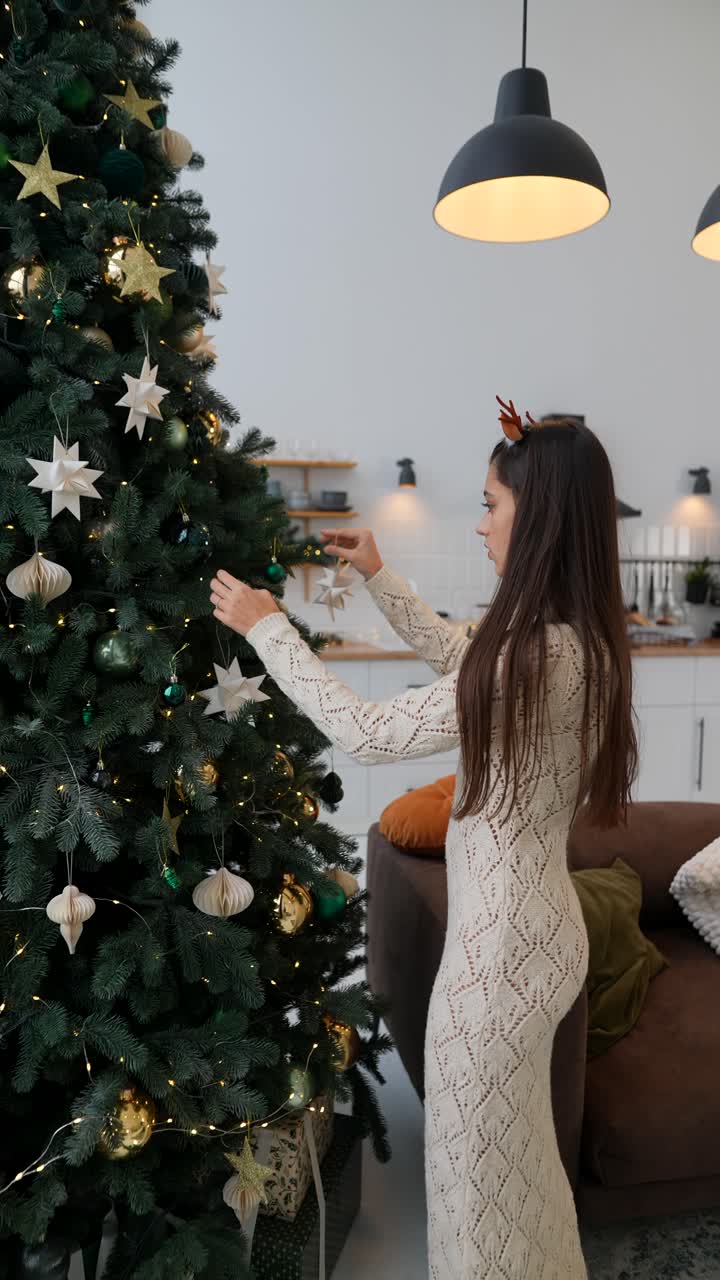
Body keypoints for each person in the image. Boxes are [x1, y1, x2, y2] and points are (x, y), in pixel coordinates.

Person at [209, 396, 638, 1280]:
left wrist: (270, 632)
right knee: (524, 1181)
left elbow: (365, 732)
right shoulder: (573, 640)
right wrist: (381, 577)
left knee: (476, 1201)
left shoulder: (536, 654)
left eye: (491, 504)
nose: (480, 525)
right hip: (540, 938)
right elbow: (463, 659)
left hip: (498, 964)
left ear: (540, 518)